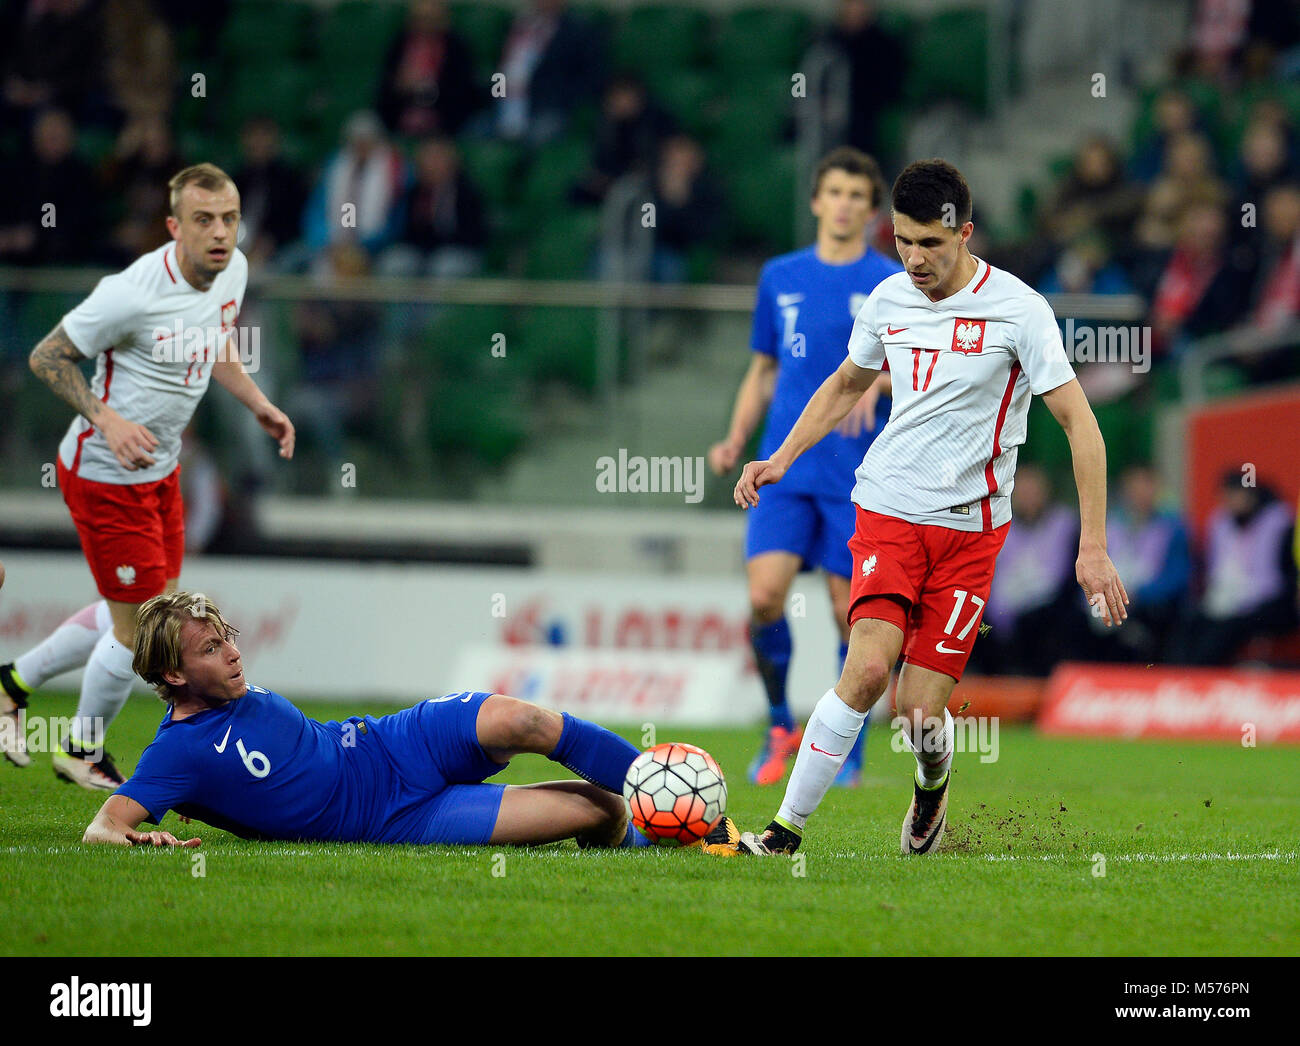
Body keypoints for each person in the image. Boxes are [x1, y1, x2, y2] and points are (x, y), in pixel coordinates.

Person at [724, 159, 1127, 858]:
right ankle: (783, 833)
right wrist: (781, 458)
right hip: (887, 510)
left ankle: (932, 786)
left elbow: (1080, 426)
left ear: (964, 233)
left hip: (971, 536)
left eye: (930, 245)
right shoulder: (886, 300)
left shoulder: (1020, 310)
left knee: (919, 716)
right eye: (904, 241)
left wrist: (1092, 546)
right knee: (867, 670)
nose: (914, 258)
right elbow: (847, 383)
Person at [0, 163, 295, 791]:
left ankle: (13, 683)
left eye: (229, 219)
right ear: (173, 226)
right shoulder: (131, 291)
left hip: (160, 472)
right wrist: (107, 421)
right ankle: (81, 749)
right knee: (142, 635)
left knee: (144, 616)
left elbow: (216, 342)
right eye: (203, 220)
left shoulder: (232, 270)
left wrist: (256, 402)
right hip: (106, 475)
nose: (220, 233)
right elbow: (46, 355)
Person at [77, 591, 741, 851]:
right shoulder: (177, 753)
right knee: (596, 809)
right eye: (211, 649)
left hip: (393, 742)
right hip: (392, 821)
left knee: (523, 720)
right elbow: (102, 826)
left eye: (226, 638)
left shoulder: (230, 687)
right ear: (171, 675)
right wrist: (140, 839)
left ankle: (681, 804)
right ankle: (650, 836)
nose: (233, 653)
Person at [708, 147, 899, 789]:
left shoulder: (891, 282)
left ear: (872, 211)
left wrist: (883, 382)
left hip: (856, 475)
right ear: (817, 201)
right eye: (834, 192)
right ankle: (775, 723)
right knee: (764, 596)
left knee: (850, 613)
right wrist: (736, 437)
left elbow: (918, 369)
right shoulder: (780, 276)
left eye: (857, 195)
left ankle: (849, 748)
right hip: (784, 471)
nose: (844, 204)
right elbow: (763, 367)